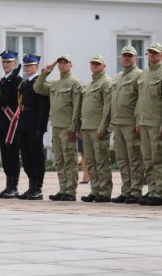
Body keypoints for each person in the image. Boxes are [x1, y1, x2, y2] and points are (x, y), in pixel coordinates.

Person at [34, 55, 82, 201]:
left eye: (65, 63)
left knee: (70, 160)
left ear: (71, 65)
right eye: (60, 63)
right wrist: (45, 72)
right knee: (60, 160)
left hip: (68, 127)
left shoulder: (75, 83)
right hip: (56, 126)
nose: (62, 65)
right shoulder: (55, 83)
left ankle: (70, 191)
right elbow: (38, 88)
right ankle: (63, 189)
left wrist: (74, 127)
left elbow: (77, 107)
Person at [136, 43, 162, 206]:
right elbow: (140, 100)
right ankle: (152, 190)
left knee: (159, 158)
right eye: (150, 53)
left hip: (157, 123)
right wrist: (138, 120)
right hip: (144, 122)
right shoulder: (144, 74)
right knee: (148, 159)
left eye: (156, 53)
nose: (152, 56)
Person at [109, 46, 144, 204]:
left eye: (130, 56)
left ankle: (136, 191)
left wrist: (138, 121)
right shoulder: (117, 77)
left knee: (134, 158)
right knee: (122, 159)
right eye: (124, 56)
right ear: (120, 58)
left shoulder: (139, 75)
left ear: (136, 58)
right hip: (118, 124)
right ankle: (126, 189)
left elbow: (141, 101)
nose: (127, 58)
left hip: (131, 123)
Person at [16, 53, 50, 200]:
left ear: (37, 66)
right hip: (24, 122)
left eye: (30, 65)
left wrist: (41, 128)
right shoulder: (24, 83)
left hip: (35, 123)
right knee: (26, 156)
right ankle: (31, 185)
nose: (27, 68)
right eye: (26, 65)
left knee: (36, 156)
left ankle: (38, 187)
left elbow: (44, 108)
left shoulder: (40, 83)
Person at [79, 54, 113, 203]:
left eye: (98, 64)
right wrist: (82, 126)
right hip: (87, 128)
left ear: (104, 66)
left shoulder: (106, 83)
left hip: (98, 129)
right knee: (91, 161)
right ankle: (95, 189)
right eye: (93, 64)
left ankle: (104, 191)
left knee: (101, 161)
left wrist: (103, 127)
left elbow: (108, 107)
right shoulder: (90, 84)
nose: (95, 66)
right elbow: (84, 108)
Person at [0, 50, 23, 198]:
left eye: (9, 62)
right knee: (5, 156)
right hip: (3, 123)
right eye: (4, 62)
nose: (6, 64)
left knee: (12, 156)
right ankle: (8, 184)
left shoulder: (17, 80)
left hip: (13, 123)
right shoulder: (2, 81)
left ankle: (14, 186)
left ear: (15, 64)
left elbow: (12, 100)